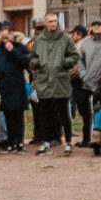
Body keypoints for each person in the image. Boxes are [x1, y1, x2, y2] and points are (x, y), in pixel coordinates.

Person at [29, 14, 76, 154]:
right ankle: (46, 141)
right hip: (44, 82)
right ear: (45, 23)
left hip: (60, 81)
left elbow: (74, 56)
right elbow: (32, 57)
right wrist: (39, 64)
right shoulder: (39, 41)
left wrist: (62, 63)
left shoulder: (65, 39)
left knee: (63, 113)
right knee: (45, 115)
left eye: (55, 21)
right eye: (50, 21)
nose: (54, 23)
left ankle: (68, 141)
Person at [0, 27, 31, 152]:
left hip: (17, 85)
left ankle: (20, 141)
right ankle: (11, 141)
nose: (5, 40)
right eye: (3, 38)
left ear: (12, 35)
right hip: (4, 86)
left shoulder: (20, 47)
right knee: (8, 115)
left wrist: (13, 51)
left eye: (7, 37)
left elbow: (25, 61)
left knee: (18, 115)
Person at [73, 20, 101, 149]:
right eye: (94, 25)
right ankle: (88, 138)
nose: (97, 27)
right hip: (87, 82)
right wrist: (82, 73)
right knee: (86, 112)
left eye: (100, 25)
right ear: (90, 28)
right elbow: (79, 60)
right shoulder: (85, 42)